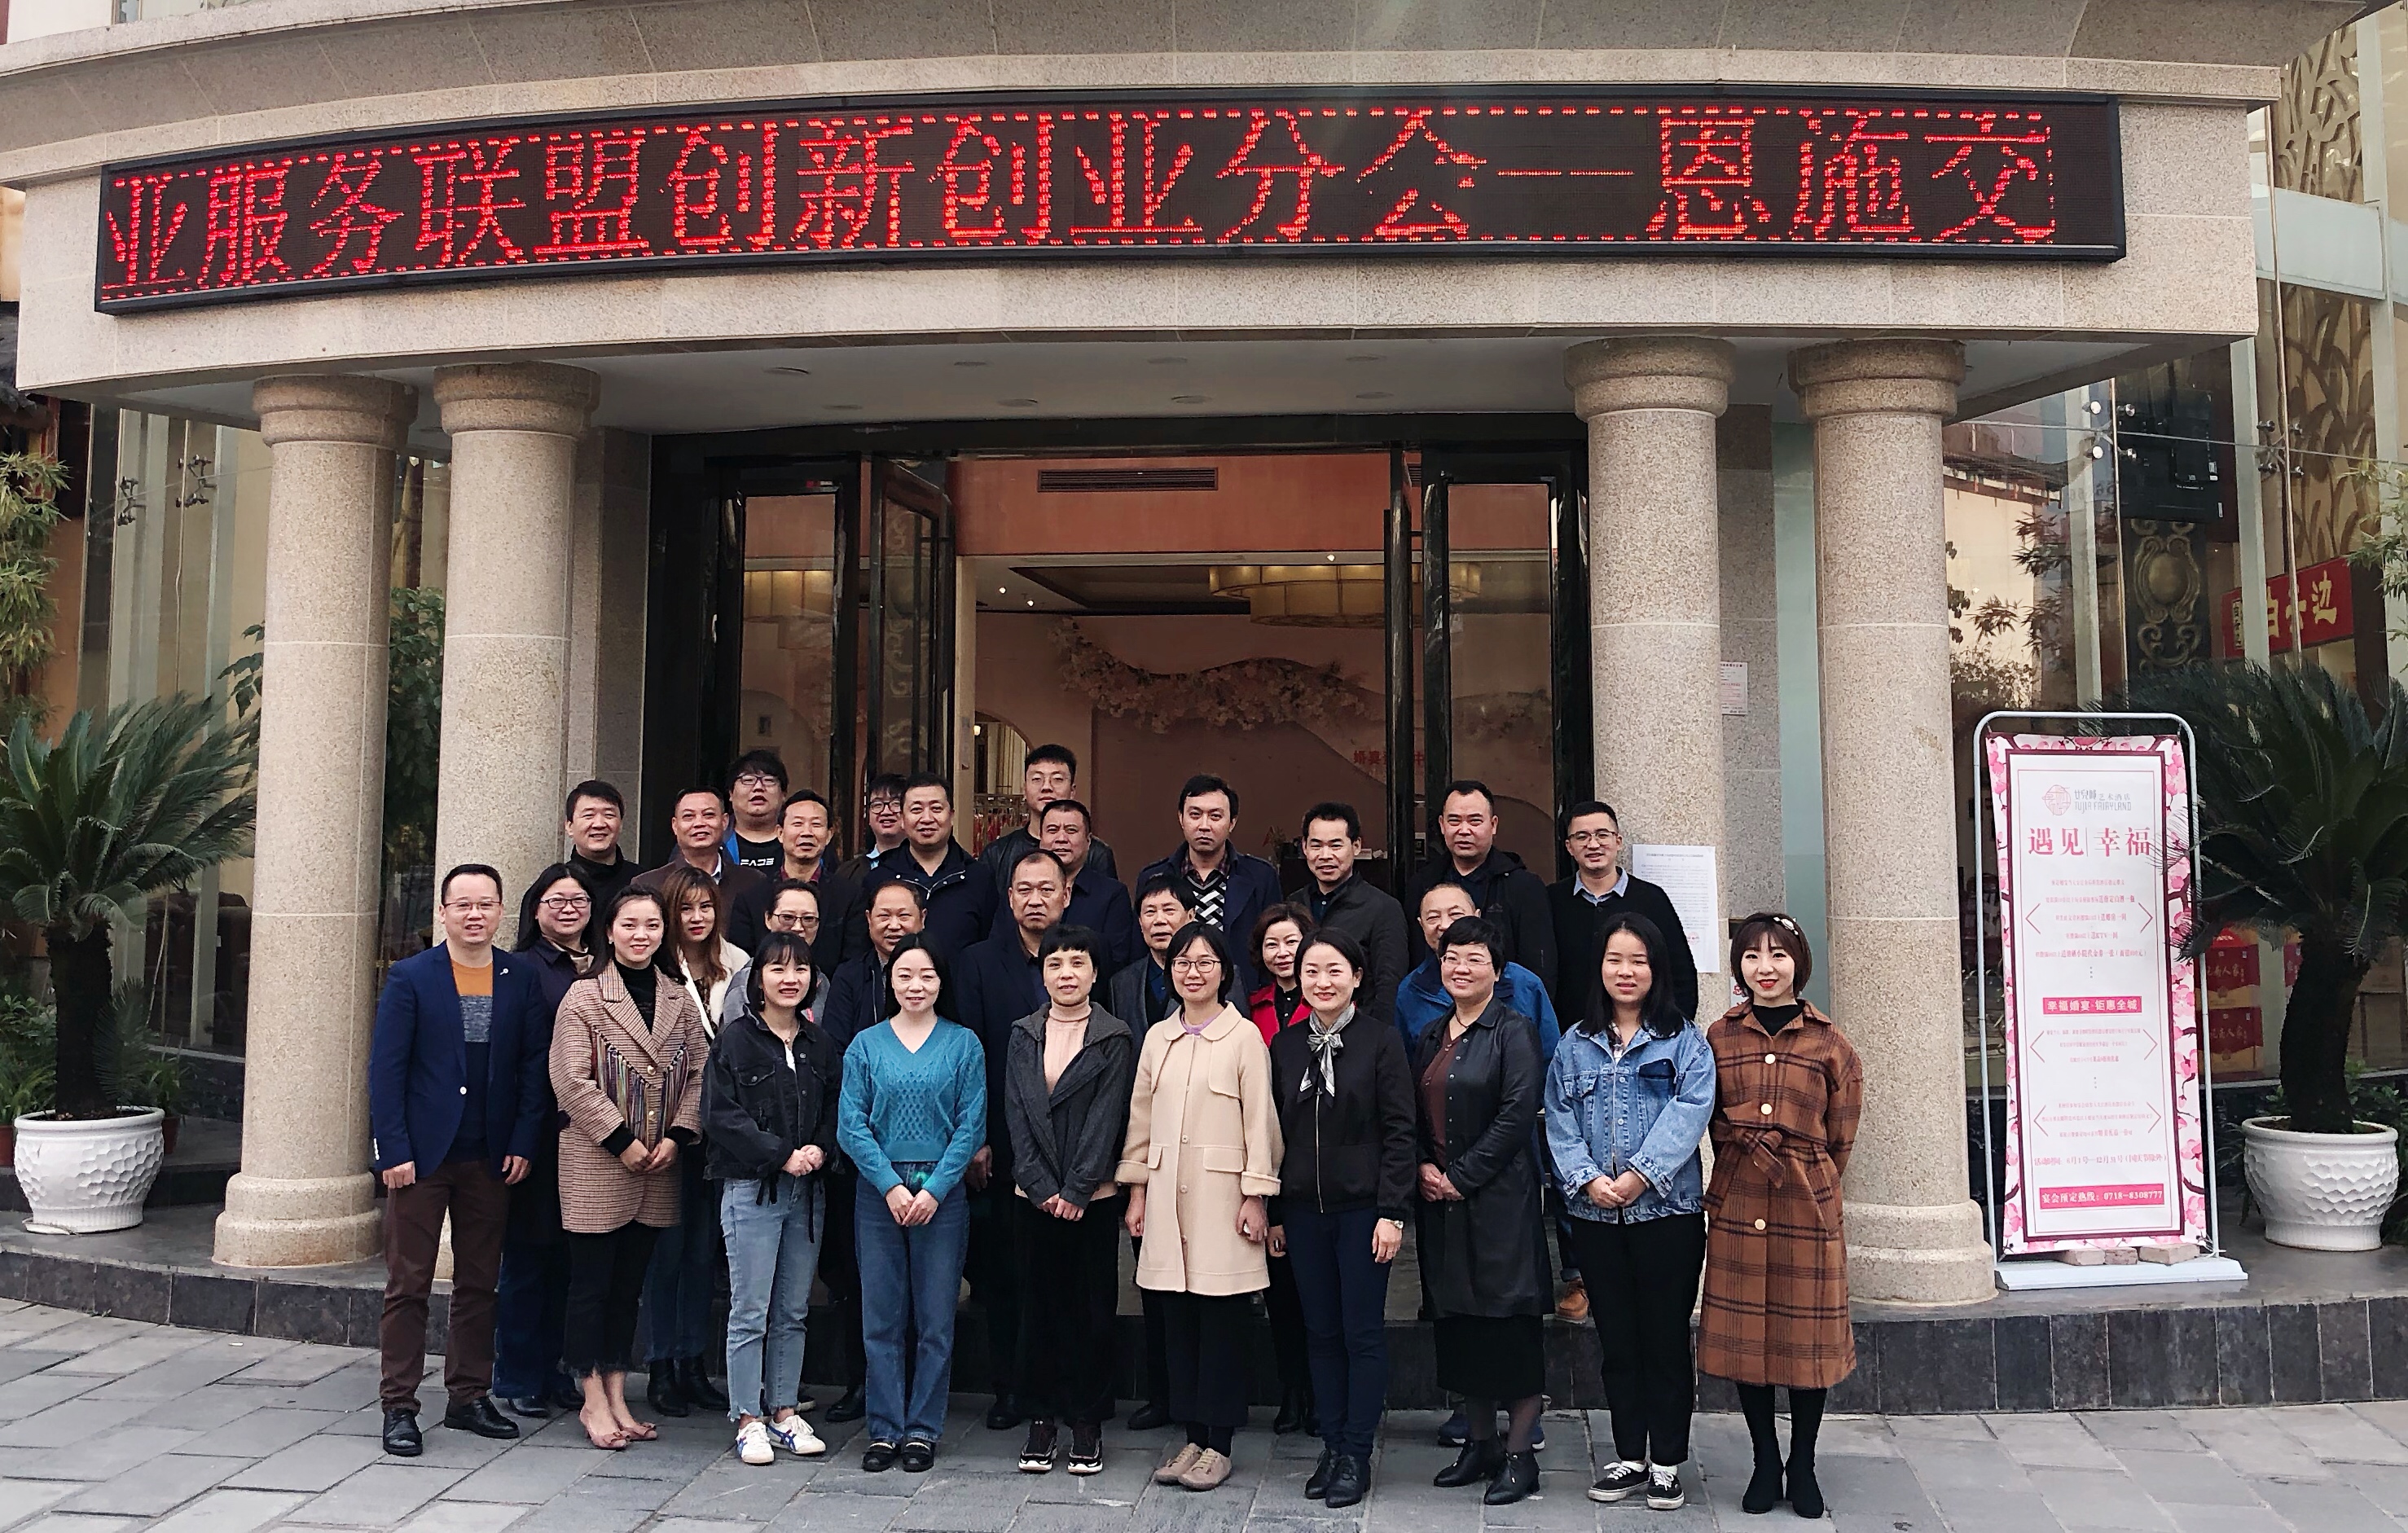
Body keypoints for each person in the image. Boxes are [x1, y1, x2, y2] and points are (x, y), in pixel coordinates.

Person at [369, 864, 548, 1458]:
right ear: (443, 912)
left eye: (485, 904)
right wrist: (393, 1149)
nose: (475, 915)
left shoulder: (519, 978)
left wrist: (522, 1141)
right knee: (409, 1283)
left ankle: (469, 1395)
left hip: (490, 1156)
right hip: (422, 1158)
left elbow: (532, 1068)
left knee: (479, 1283)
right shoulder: (412, 977)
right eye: (463, 904)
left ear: (500, 912)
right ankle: (399, 1405)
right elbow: (386, 1070)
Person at [1547, 912, 1715, 1513]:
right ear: (1599, 968)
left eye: (1638, 961)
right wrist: (1587, 1180)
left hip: (1667, 1215)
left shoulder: (1685, 1042)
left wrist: (1640, 1174)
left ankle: (1666, 1460)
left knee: (1664, 1340)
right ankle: (1628, 1455)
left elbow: (1691, 1111)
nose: (1626, 972)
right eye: (1615, 960)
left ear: (1656, 969)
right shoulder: (1574, 1044)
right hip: (1596, 1218)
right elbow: (1558, 1117)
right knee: (1616, 1341)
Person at [1698, 914, 1862, 1522]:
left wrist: (1810, 1180)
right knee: (1749, 1342)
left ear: (1799, 963)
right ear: (1738, 966)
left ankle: (1805, 1463)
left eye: (1778, 955)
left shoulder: (1830, 1042)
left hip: (1805, 1202)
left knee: (1806, 1344)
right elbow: (1708, 1116)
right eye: (1751, 957)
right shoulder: (1719, 1036)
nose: (1765, 968)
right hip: (1741, 1198)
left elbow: (1841, 1135)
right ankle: (1765, 1461)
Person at [1118, 923, 1282, 1495]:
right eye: (1183, 962)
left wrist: (1256, 1195)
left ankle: (1220, 1445)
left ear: (1225, 972)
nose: (1193, 972)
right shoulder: (1158, 1038)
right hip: (1166, 1198)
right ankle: (1191, 1435)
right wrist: (1136, 1191)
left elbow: (1261, 1122)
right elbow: (1140, 1120)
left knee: (1222, 1326)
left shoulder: (1244, 1038)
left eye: (1205, 962)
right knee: (1178, 1324)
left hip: (1223, 1202)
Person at [551, 887, 711, 1451]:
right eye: (630, 925)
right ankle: (591, 1398)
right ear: (609, 931)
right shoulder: (584, 995)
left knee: (628, 1288)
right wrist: (621, 1140)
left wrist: (677, 1136)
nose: (641, 935)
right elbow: (570, 1079)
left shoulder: (678, 996)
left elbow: (701, 1073)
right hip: (598, 1159)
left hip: (659, 1162)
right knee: (591, 1285)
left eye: (652, 925)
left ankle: (619, 1394)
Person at [1265, 930, 1414, 1511]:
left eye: (1334, 971)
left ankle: (1356, 1452)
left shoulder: (1381, 1041)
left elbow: (1400, 1131)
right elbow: (1273, 1133)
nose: (1322, 982)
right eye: (1311, 972)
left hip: (1362, 1212)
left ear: (1356, 977)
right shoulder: (1285, 1045)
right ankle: (1331, 1445)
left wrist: (1392, 1212)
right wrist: (1276, 1212)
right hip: (1303, 1211)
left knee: (1361, 1333)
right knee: (1320, 1333)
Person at [838, 937, 987, 1474]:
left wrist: (933, 1190)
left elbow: (972, 1125)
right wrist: (890, 1185)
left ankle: (923, 1428)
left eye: (926, 975)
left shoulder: (964, 1044)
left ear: (941, 982)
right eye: (904, 975)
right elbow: (850, 1125)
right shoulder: (865, 1045)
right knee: (880, 1316)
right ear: (890, 982)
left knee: (935, 1318)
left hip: (940, 1192)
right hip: (879, 1191)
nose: (915, 986)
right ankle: (884, 1429)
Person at [1415, 916, 1549, 1507]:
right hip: (1441, 1203)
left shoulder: (1513, 1030)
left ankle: (1520, 1455)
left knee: (1507, 1326)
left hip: (1498, 1203)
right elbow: (1412, 1111)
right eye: (1452, 957)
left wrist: (1461, 1178)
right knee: (1461, 1324)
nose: (1461, 968)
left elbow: (1518, 1114)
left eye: (1474, 958)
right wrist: (1423, 1166)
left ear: (1498, 970)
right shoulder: (1431, 1033)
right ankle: (1479, 1443)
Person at [1003, 925, 1136, 1477]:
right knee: (1038, 1309)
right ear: (1043, 974)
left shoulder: (1113, 1037)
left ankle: (1086, 1419)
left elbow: (1108, 1117)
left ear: (1095, 973)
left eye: (1078, 963)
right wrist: (1041, 1187)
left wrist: (1078, 1188)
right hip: (1033, 1197)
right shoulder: (1023, 1033)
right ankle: (1041, 1417)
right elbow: (1016, 1111)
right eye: (1055, 964)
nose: (1066, 974)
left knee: (1091, 1312)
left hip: (1093, 1199)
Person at [704, 930, 840, 1466]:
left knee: (793, 1309)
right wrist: (781, 1153)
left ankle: (784, 1411)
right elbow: (721, 1115)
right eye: (778, 968)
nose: (790, 978)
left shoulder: (819, 1043)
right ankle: (747, 1417)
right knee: (750, 1310)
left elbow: (835, 1105)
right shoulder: (736, 1040)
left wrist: (820, 1150)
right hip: (752, 1188)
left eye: (800, 968)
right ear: (757, 979)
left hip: (807, 1191)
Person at [956, 848, 1073, 1431]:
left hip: (1070, 1145)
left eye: (1046, 889)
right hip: (1001, 1144)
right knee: (1004, 1274)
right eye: (1024, 889)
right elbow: (970, 1054)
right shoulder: (977, 962)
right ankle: (1010, 1389)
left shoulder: (1082, 958)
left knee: (1063, 1276)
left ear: (1066, 896)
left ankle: (1064, 1391)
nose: (1035, 900)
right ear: (1008, 898)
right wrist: (977, 1138)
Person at [814, 879, 927, 1425]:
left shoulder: (934, 974)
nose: (893, 924)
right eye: (883, 915)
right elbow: (835, 1055)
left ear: (922, 920)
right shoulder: (849, 977)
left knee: (921, 1281)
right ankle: (863, 1383)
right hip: (860, 1148)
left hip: (924, 1152)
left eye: (904, 914)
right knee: (858, 1275)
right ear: (867, 921)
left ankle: (917, 1389)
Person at [639, 863, 745, 1418]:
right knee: (668, 1251)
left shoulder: (740, 964)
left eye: (705, 907)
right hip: (669, 1129)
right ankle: (660, 1365)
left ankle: (693, 1364)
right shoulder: (655, 970)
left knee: (704, 1251)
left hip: (722, 1131)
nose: (697, 917)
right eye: (686, 908)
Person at [494, 864, 595, 1421]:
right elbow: (520, 1059)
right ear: (535, 910)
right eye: (557, 900)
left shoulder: (604, 966)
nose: (569, 908)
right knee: (529, 1258)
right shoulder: (521, 969)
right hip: (541, 1133)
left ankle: (559, 1369)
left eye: (578, 899)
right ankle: (517, 1374)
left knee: (571, 1263)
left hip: (594, 1138)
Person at [1104, 872, 1190, 1430]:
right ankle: (1162, 1394)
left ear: (1189, 917)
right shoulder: (1122, 983)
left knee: (1199, 1278)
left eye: (1169, 910)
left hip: (1198, 1145)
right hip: (1141, 1143)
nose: (1160, 922)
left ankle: (1197, 1395)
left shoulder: (1212, 977)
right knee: (1151, 1276)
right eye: (1150, 913)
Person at [1246, 900, 1316, 1438]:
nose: (1282, 952)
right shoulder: (1251, 1006)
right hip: (1266, 1151)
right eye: (1271, 943)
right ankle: (1292, 1391)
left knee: (1318, 1293)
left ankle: (1320, 1393)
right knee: (1281, 1292)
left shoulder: (1327, 1001)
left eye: (1291, 941)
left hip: (1316, 1156)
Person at [1549, 800, 1700, 1024]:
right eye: (1582, 837)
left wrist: (1671, 1029)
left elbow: (1680, 972)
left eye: (1602, 835)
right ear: (1569, 847)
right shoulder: (1551, 900)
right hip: (1570, 1035)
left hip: (1644, 1034)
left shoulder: (1652, 899)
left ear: (1618, 841)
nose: (1593, 844)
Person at [1401, 781, 1556, 997]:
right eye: (1454, 821)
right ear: (1442, 825)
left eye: (1475, 821)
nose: (1464, 830)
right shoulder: (1422, 884)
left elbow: (1540, 966)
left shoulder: (1523, 887)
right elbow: (1416, 956)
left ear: (1493, 825)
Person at [1134, 775, 1283, 995]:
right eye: (1195, 815)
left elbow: (1274, 942)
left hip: (1243, 997)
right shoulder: (1154, 877)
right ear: (1181, 818)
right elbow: (1139, 948)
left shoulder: (1261, 877)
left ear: (1232, 822)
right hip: (1172, 995)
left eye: (1215, 816)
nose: (1204, 826)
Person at [1397, 881, 1560, 1057]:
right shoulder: (1411, 990)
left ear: (1477, 916)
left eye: (1455, 914)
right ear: (1421, 925)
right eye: (1433, 918)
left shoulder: (1524, 984)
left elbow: (1550, 1058)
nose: (1444, 925)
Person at [1295, 802, 1409, 1027]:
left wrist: (1375, 1038)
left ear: (1356, 846)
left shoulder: (1383, 908)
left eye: (1335, 846)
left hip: (1359, 1030)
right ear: (1305, 847)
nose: (1325, 855)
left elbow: (1389, 986)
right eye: (1316, 845)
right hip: (1301, 1030)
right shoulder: (1294, 904)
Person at [860, 772, 997, 960]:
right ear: (902, 819)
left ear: (951, 816)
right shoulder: (879, 878)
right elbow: (863, 953)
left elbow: (992, 951)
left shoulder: (979, 878)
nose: (927, 818)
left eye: (936, 808)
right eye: (916, 809)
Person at [989, 798, 1136, 971]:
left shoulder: (1112, 894)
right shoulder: (1021, 891)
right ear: (1040, 838)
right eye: (1052, 830)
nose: (1061, 839)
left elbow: (1117, 963)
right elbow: (996, 951)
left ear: (1088, 841)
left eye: (1071, 830)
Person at [730, 788, 863, 970]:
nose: (806, 832)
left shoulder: (850, 897)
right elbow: (744, 965)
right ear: (780, 833)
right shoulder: (751, 898)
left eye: (816, 825)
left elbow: (853, 964)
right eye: (798, 824)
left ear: (829, 835)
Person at [978, 742, 1119, 889]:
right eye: (1037, 779)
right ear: (1024, 790)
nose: (1046, 787)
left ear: (1072, 791)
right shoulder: (997, 853)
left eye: (1057, 779)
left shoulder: (1097, 853)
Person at [635, 787, 769, 911]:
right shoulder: (648, 884)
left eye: (708, 815)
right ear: (675, 826)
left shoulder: (753, 881)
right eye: (689, 816)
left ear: (724, 822)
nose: (699, 823)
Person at [724, 880, 832, 1030]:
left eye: (808, 919)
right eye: (787, 917)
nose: (798, 927)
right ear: (768, 919)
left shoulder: (823, 982)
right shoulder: (746, 982)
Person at [566, 780, 638, 919]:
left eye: (609, 815)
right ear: (569, 826)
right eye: (589, 815)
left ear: (621, 825)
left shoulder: (642, 881)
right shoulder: (553, 889)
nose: (599, 824)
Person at [837, 772, 910, 889]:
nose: (886, 812)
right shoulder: (847, 872)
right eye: (877, 804)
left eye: (896, 804)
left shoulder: (921, 866)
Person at [724, 749, 789, 871]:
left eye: (769, 780)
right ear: (731, 793)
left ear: (783, 794)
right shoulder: (715, 842)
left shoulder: (801, 840)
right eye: (748, 780)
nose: (758, 787)